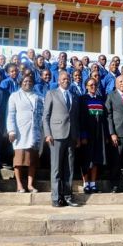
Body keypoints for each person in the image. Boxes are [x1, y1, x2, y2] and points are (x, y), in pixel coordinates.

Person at [43, 71, 80, 207]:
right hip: (56, 136)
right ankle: (56, 197)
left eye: (68, 79)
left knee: (69, 168)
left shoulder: (74, 96)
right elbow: (45, 116)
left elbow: (75, 118)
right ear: (59, 80)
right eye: (64, 79)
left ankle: (68, 196)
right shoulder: (51, 94)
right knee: (56, 168)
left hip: (71, 136)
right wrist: (48, 134)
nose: (66, 80)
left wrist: (77, 136)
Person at [7, 75, 43, 193]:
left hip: (35, 131)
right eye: (25, 81)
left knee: (32, 160)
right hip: (20, 132)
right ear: (21, 83)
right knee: (19, 160)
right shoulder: (15, 96)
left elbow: (42, 114)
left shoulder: (38, 97)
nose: (28, 83)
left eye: (30, 81)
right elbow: (11, 114)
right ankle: (19, 185)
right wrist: (11, 131)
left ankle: (30, 184)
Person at [79, 78, 108, 193]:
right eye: (90, 85)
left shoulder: (101, 99)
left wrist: (105, 135)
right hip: (87, 134)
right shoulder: (82, 99)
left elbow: (104, 119)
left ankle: (93, 183)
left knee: (96, 159)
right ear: (86, 86)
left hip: (98, 134)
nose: (93, 87)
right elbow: (81, 119)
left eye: (94, 85)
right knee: (86, 159)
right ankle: (86, 183)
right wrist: (83, 135)